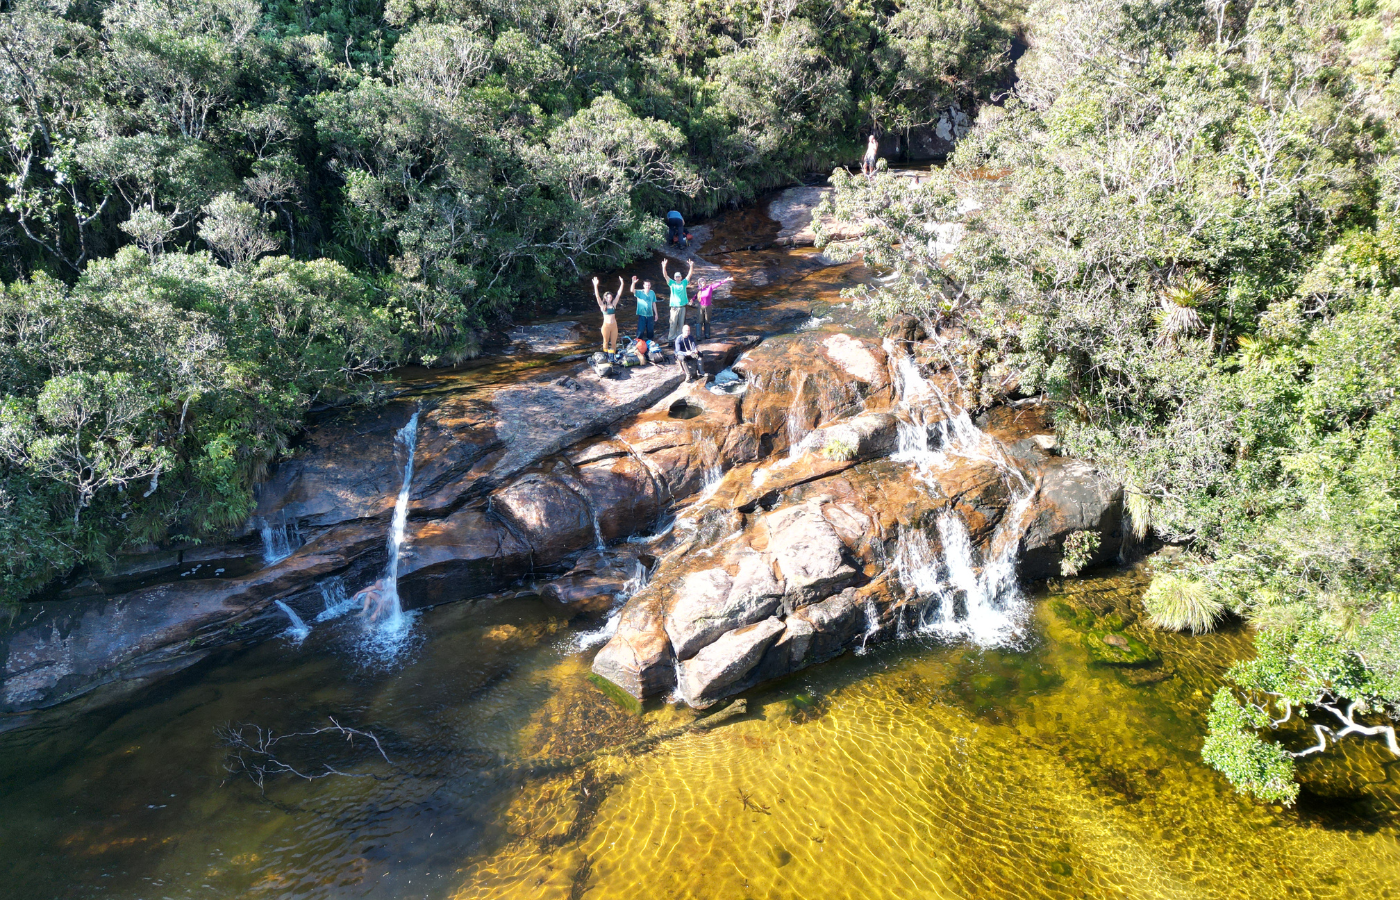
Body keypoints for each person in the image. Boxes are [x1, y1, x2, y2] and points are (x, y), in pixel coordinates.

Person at [662, 257, 694, 342]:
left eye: (679, 276)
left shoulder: (684, 282)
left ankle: (679, 339)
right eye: (676, 276)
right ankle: (671, 339)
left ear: (681, 277)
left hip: (683, 307)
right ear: (674, 277)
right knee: (673, 324)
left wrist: (691, 266)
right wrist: (664, 267)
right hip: (674, 307)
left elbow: (689, 275)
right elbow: (665, 275)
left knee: (681, 324)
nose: (677, 278)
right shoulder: (671, 283)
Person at [592, 275, 624, 356]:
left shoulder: (614, 304)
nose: (609, 299)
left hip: (614, 325)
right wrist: (595, 285)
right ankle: (605, 355)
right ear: (605, 298)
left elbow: (618, 294)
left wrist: (622, 283)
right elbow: (597, 296)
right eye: (608, 297)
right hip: (606, 326)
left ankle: (613, 356)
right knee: (605, 341)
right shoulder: (602, 306)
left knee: (613, 342)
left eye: (610, 297)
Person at [631, 275, 657, 341]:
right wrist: (633, 283)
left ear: (650, 286)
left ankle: (650, 343)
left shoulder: (652, 293)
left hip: (650, 315)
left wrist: (656, 314)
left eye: (648, 285)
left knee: (650, 331)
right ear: (643, 285)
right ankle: (638, 343)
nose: (647, 286)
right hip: (642, 315)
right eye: (646, 285)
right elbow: (632, 290)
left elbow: (654, 303)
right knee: (640, 331)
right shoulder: (640, 292)